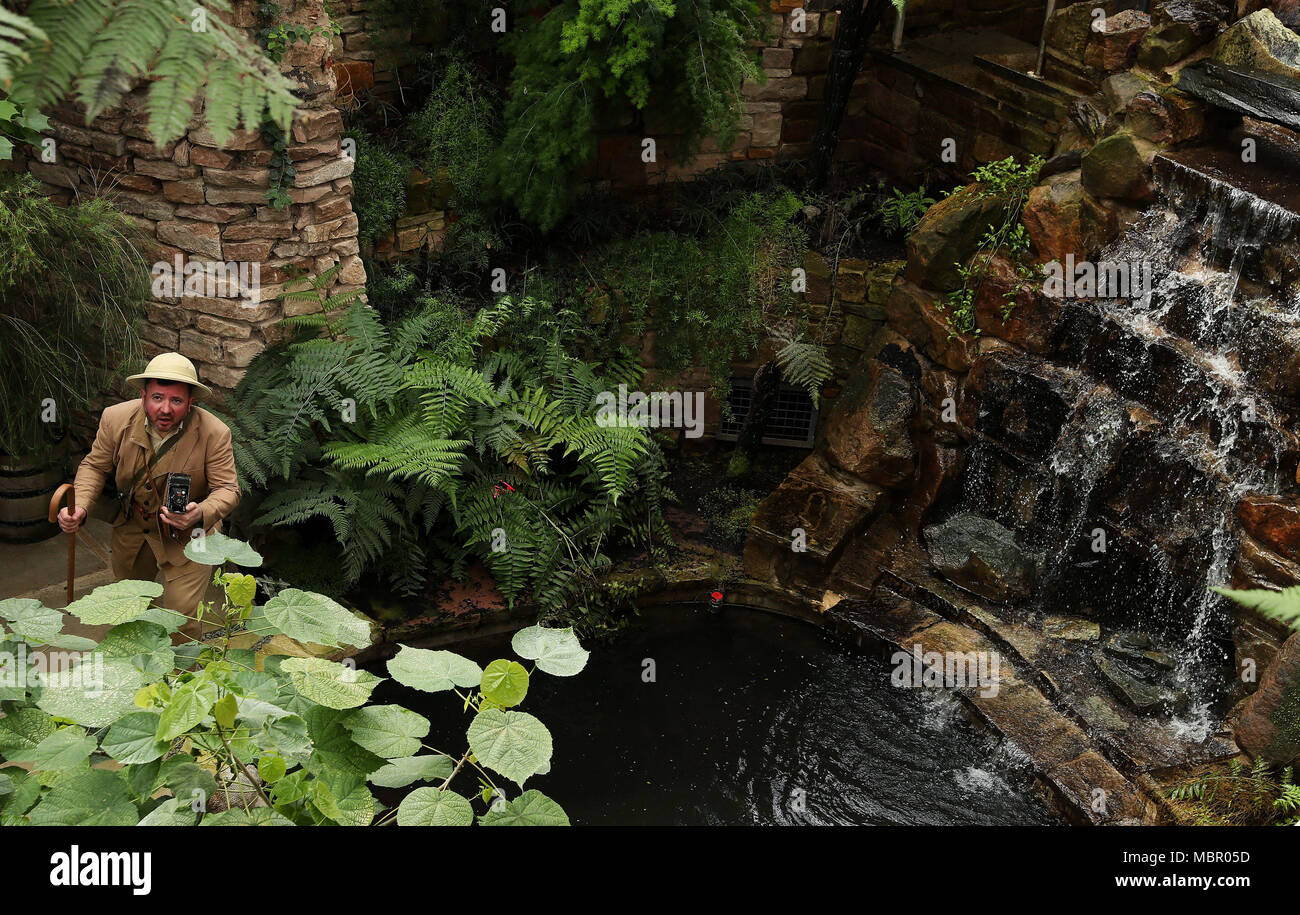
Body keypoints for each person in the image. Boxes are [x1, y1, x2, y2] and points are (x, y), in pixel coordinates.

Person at [57, 353, 240, 643]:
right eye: (157, 397)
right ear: (143, 396)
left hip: (190, 535)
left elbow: (228, 489)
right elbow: (94, 466)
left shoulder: (214, 433)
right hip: (133, 527)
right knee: (132, 605)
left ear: (191, 403)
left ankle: (183, 679)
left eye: (176, 401)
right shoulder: (115, 419)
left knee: (181, 616)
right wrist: (79, 506)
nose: (165, 409)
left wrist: (199, 513)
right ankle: (141, 669)